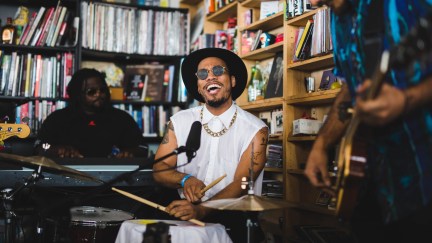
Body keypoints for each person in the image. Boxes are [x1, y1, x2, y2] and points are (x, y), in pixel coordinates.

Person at [304, 1, 432, 242]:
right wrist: (322, 144)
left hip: (422, 179)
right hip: (371, 184)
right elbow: (352, 88)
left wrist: (406, 100)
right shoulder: (335, 17)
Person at [152, 48, 269, 242]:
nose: (210, 77)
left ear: (232, 80)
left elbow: (242, 183)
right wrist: (185, 179)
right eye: (203, 74)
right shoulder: (179, 121)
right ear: (198, 87)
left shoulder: (256, 130)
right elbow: (159, 169)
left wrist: (202, 210)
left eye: (218, 71)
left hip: (233, 215)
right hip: (184, 209)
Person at [35, 68, 147, 158]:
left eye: (102, 90)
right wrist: (57, 150)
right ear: (77, 95)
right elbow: (40, 147)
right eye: (91, 92)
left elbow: (143, 148)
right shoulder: (58, 119)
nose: (99, 95)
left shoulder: (121, 118)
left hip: (112, 179)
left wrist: (130, 152)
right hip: (68, 176)